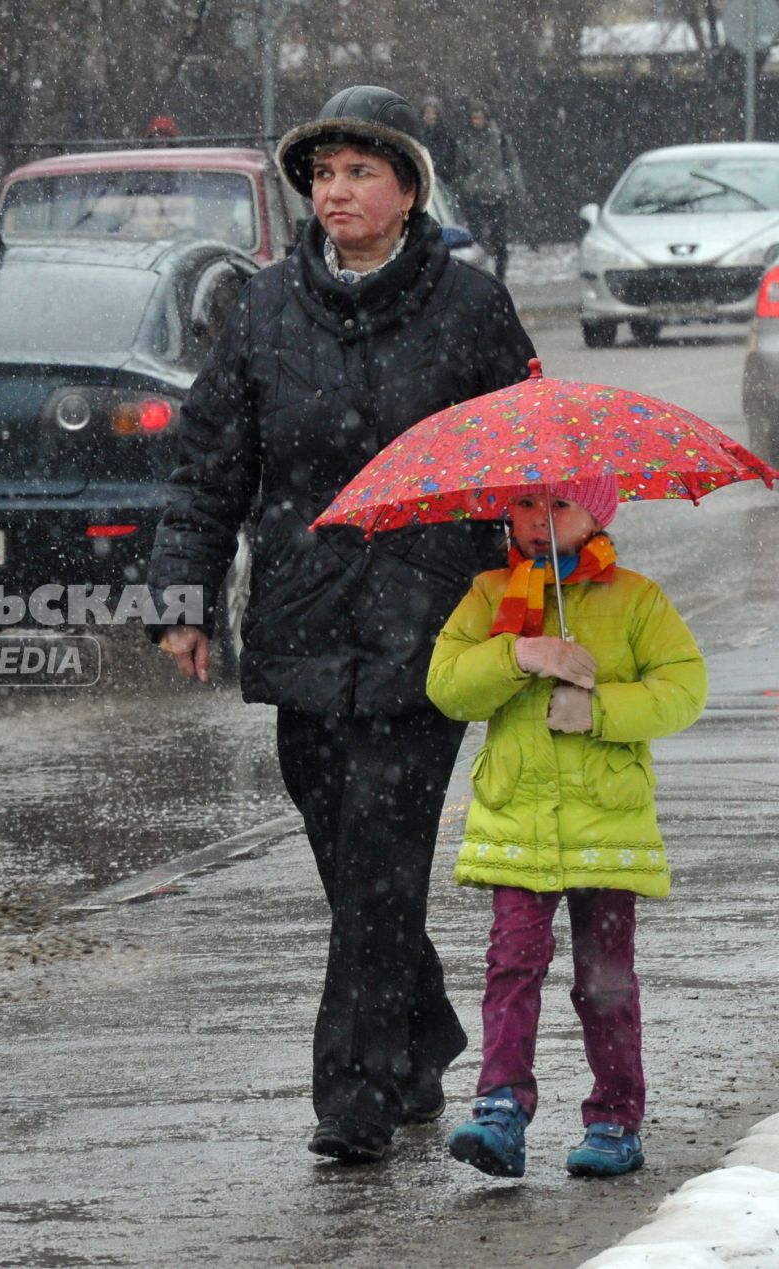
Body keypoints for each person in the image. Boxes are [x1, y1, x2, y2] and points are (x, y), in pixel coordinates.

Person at [144, 84, 537, 1165]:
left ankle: (353, 1099)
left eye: (362, 172)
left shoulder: (471, 309)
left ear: (410, 190)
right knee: (348, 859)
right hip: (303, 624)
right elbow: (210, 464)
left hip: (430, 630)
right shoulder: (266, 312)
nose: (338, 191)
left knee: (378, 859)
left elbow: (529, 463)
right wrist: (182, 599)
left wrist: (543, 588)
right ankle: (429, 1031)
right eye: (323, 174)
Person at [425, 480, 707, 1179]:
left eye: (558, 506)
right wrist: (521, 655)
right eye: (524, 505)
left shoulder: (636, 599)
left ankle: (615, 1116)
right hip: (518, 821)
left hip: (606, 824)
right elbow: (447, 682)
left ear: (596, 514)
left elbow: (684, 688)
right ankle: (500, 1107)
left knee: (604, 979)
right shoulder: (493, 597)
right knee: (511, 966)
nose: (537, 520)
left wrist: (600, 708)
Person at [451, 101, 524, 281]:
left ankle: (500, 274)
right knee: (476, 237)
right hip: (474, 194)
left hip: (496, 193)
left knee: (498, 237)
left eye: (480, 117)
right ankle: (480, 274)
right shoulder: (466, 141)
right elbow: (461, 167)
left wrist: (516, 186)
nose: (477, 121)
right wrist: (464, 186)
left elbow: (511, 163)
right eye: (474, 118)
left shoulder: (499, 139)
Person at [419, 97, 457, 186]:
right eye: (427, 112)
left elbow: (448, 157)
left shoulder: (445, 133)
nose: (430, 116)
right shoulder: (417, 131)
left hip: (441, 179)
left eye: (434, 113)